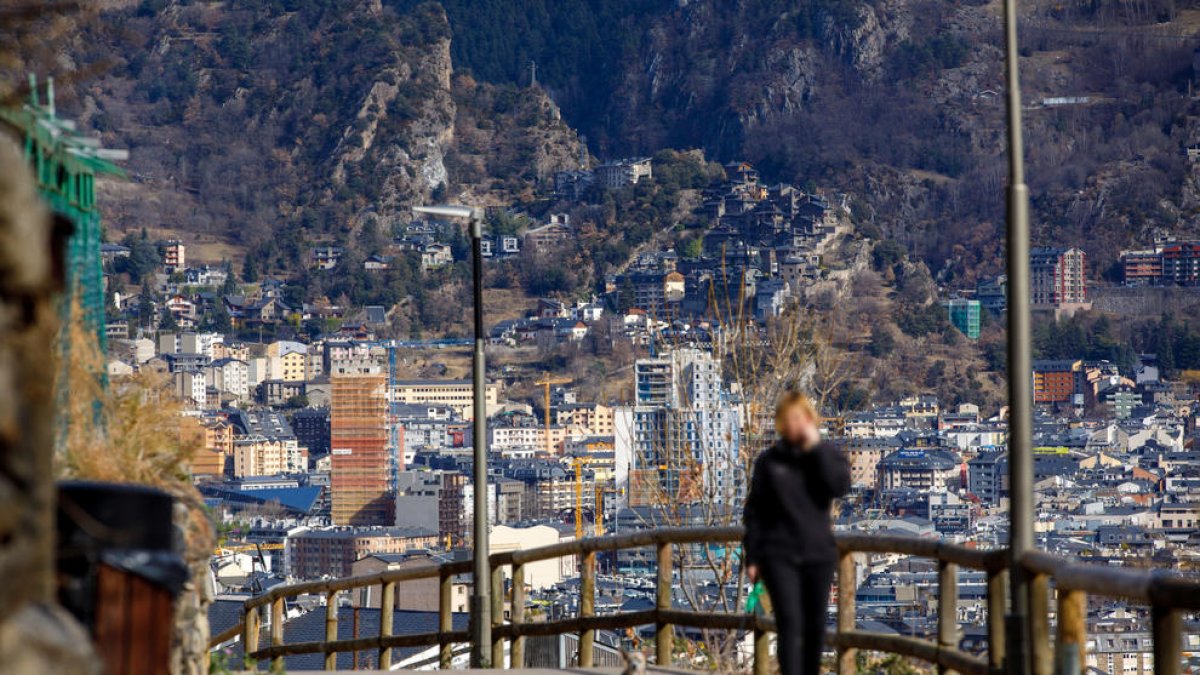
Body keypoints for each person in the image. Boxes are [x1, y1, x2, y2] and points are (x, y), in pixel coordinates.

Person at [743, 391, 852, 675]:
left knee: (815, 625)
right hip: (779, 554)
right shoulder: (770, 462)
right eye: (790, 418)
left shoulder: (825, 455)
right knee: (789, 623)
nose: (796, 424)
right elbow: (755, 513)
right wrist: (752, 558)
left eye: (801, 418)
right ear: (781, 422)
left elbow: (839, 485)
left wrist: (816, 447)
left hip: (818, 553)